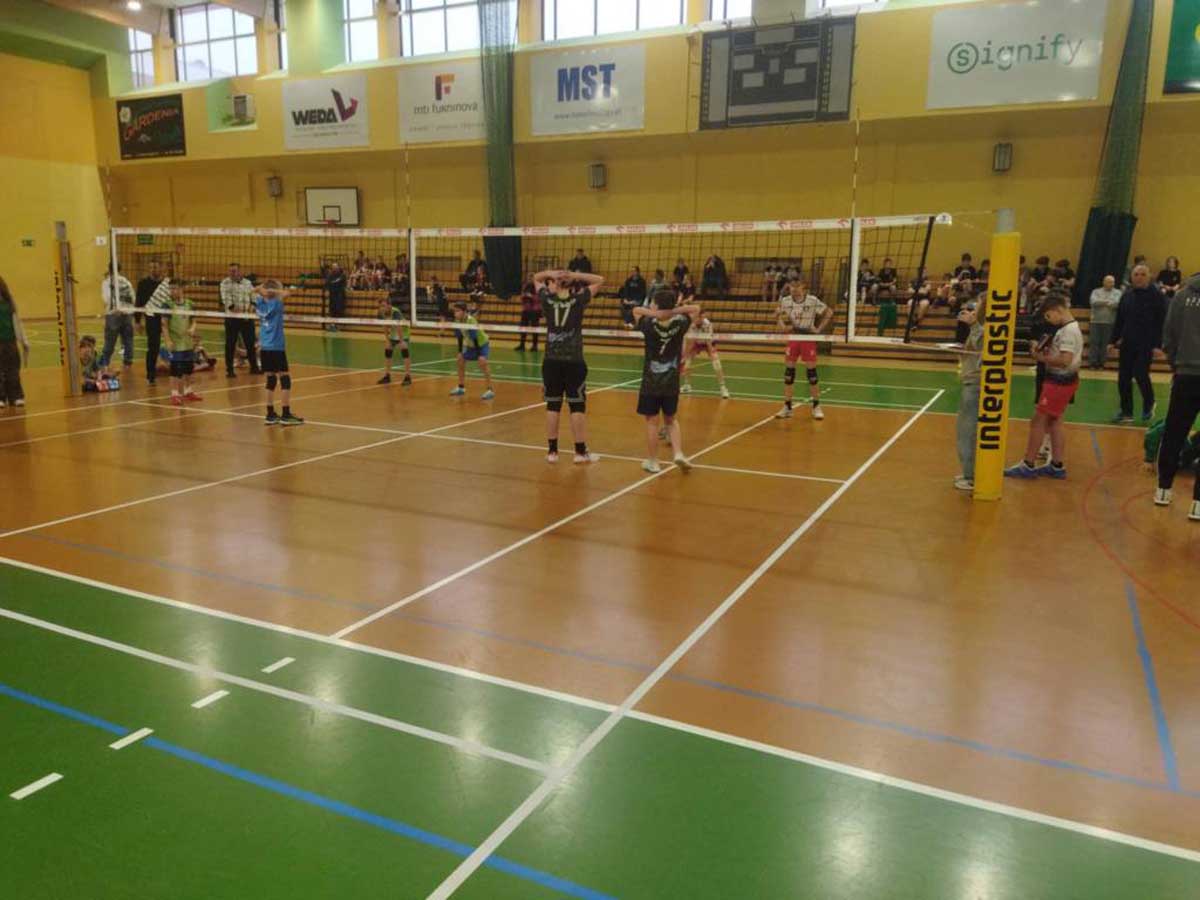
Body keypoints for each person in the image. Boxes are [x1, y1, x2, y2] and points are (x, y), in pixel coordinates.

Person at [1004, 294, 1083, 479]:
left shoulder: (1068, 331)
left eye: (1048, 316)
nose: (1048, 320)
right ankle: (1056, 465)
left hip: (1059, 382)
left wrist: (1042, 358)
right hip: (1065, 381)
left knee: (1038, 421)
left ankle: (1028, 464)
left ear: (1058, 310)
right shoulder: (1070, 328)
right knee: (1055, 421)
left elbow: (1065, 360)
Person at [533, 268, 604, 464]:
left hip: (551, 360)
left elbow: (536, 278)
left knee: (552, 405)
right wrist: (575, 275)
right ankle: (580, 453)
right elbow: (600, 280)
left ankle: (552, 452)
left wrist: (552, 273)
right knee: (577, 406)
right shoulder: (579, 299)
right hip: (574, 360)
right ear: (572, 285)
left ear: (555, 284)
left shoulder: (547, 299)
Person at [633, 290, 704, 473]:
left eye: (653, 303)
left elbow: (636, 310)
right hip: (671, 381)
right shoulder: (680, 323)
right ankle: (678, 453)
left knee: (652, 422)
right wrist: (672, 311)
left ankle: (653, 461)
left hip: (651, 382)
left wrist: (657, 314)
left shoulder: (648, 323)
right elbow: (696, 308)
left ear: (656, 305)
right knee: (671, 420)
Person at [1153, 272, 1200, 520]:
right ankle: (1198, 504)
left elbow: (1169, 333)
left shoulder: (1182, 296)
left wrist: (1176, 363)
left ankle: (1163, 489)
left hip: (1185, 374)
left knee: (1174, 432)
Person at [1111, 264, 1167, 424]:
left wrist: (1158, 345)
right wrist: (1112, 341)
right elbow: (1119, 320)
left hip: (1146, 343)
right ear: (1131, 276)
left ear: (1149, 276)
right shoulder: (1127, 295)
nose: (1139, 277)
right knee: (1123, 378)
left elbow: (1162, 322)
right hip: (1128, 342)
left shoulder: (1157, 296)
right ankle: (1126, 412)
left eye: (1143, 274)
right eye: (1136, 274)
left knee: (1140, 373)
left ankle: (1149, 402)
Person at [775, 277, 833, 420]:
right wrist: (782, 324)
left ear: (803, 287)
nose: (794, 289)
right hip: (794, 336)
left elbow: (829, 312)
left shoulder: (812, 300)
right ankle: (787, 407)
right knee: (788, 374)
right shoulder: (785, 301)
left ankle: (816, 406)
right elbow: (778, 317)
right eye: (792, 286)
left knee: (812, 375)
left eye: (797, 286)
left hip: (808, 337)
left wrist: (818, 329)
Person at [254, 280, 303, 426]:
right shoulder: (276, 303)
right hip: (276, 347)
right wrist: (272, 291)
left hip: (264, 347)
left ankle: (270, 414)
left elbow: (257, 292)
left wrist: (260, 290)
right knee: (285, 379)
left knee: (271, 380)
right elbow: (287, 293)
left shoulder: (259, 304)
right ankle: (285, 414)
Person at [953, 297, 987, 491]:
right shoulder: (982, 328)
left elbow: (980, 344)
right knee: (967, 431)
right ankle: (970, 472)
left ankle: (971, 476)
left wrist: (973, 324)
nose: (975, 307)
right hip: (973, 382)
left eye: (979, 304)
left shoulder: (982, 329)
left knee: (967, 432)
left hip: (974, 384)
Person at [162, 282, 202, 407]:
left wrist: (192, 329)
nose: (172, 291)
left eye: (174, 288)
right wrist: (168, 340)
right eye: (170, 289)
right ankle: (174, 394)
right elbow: (164, 325)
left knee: (188, 368)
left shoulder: (190, 304)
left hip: (187, 342)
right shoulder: (167, 305)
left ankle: (188, 391)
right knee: (175, 369)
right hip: (175, 342)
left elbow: (194, 321)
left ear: (181, 289)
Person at [220, 262, 259, 378]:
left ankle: (254, 367)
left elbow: (254, 297)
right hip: (232, 318)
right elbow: (227, 301)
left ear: (240, 271)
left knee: (250, 343)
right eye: (230, 271)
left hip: (247, 318)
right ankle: (230, 370)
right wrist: (238, 312)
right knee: (230, 344)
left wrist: (252, 307)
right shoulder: (225, 283)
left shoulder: (247, 283)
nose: (232, 273)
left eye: (234, 271)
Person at [680, 309, 731, 399]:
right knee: (687, 364)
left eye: (704, 317)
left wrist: (712, 354)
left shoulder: (707, 324)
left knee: (716, 364)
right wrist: (685, 355)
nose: (703, 319)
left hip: (708, 343)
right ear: (697, 317)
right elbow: (691, 340)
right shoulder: (691, 324)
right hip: (696, 343)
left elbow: (708, 341)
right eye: (701, 317)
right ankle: (687, 385)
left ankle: (723, 388)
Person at [448, 302, 494, 400]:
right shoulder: (457, 321)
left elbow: (475, 338)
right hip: (470, 346)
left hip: (481, 344)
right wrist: (460, 351)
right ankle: (461, 387)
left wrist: (479, 354)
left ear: (464, 311)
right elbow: (459, 337)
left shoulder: (471, 321)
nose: (455, 313)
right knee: (460, 359)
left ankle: (490, 390)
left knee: (482, 362)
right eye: (454, 311)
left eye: (458, 311)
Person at [0, 276, 30, 408]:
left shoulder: (10, 305)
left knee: (13, 370)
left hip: (10, 342)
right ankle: (1, 397)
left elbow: (18, 323)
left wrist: (24, 341)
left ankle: (16, 396)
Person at [100, 264, 135, 369]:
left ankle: (105, 363)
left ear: (109, 269)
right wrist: (127, 308)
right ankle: (128, 362)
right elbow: (133, 297)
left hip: (113, 314)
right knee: (128, 340)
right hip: (127, 314)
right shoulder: (127, 282)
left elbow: (106, 298)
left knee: (110, 340)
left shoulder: (107, 282)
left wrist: (116, 308)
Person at [135, 261, 165, 384]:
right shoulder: (143, 283)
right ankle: (151, 375)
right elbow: (138, 302)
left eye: (155, 267)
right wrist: (137, 321)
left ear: (161, 268)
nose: (153, 269)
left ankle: (177, 371)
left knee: (176, 345)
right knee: (153, 347)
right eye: (151, 267)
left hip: (167, 318)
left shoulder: (166, 284)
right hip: (151, 318)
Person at [377, 290, 413, 386]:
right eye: (380, 306)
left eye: (383, 306)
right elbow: (384, 326)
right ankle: (387, 376)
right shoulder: (381, 313)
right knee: (388, 350)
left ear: (389, 305)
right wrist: (387, 340)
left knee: (404, 350)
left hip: (403, 332)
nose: (382, 308)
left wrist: (401, 341)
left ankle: (408, 376)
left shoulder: (395, 312)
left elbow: (399, 327)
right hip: (393, 332)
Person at [1087, 275, 1121, 369]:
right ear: (1104, 282)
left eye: (1112, 282)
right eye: (1109, 282)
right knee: (1094, 342)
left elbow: (1117, 303)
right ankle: (1093, 363)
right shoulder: (1096, 291)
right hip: (1095, 321)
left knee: (1105, 343)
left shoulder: (1118, 292)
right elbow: (1093, 302)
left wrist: (1102, 302)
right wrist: (1107, 302)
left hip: (1110, 321)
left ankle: (1102, 363)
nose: (1111, 284)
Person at [516, 280, 541, 352]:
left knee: (535, 329)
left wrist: (531, 296)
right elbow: (521, 298)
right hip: (526, 311)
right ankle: (522, 345)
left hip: (535, 311)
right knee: (523, 328)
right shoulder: (526, 287)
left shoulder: (538, 288)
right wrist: (524, 296)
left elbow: (539, 299)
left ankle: (535, 346)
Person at [325, 263, 347, 331]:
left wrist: (333, 283)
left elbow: (340, 282)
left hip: (339, 295)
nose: (335, 268)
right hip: (332, 295)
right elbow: (327, 284)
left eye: (336, 267)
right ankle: (332, 325)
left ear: (338, 267)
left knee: (338, 310)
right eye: (333, 267)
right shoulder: (330, 275)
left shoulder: (342, 275)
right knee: (332, 310)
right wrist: (327, 290)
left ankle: (336, 325)